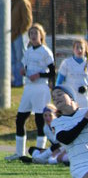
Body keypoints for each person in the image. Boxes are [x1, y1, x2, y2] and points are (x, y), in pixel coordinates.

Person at [6, 23, 55, 161]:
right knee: (20, 119)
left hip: (41, 89)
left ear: (41, 35)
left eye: (35, 33)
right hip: (28, 88)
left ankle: (39, 154)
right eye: (31, 33)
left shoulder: (45, 51)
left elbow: (52, 72)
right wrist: (24, 71)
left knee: (40, 121)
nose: (33, 36)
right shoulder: (28, 51)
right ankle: (19, 153)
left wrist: (39, 75)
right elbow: (26, 68)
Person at [56, 37, 88, 108]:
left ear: (85, 49)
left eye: (82, 48)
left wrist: (87, 87)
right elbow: (58, 82)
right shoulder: (66, 63)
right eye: (77, 48)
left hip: (85, 99)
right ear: (73, 49)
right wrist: (62, 94)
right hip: (70, 99)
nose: (79, 50)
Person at [11, 0, 33, 87]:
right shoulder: (14, 2)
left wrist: (19, 31)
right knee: (13, 59)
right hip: (12, 35)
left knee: (20, 59)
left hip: (20, 35)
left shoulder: (24, 2)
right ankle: (16, 80)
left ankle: (21, 81)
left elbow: (28, 21)